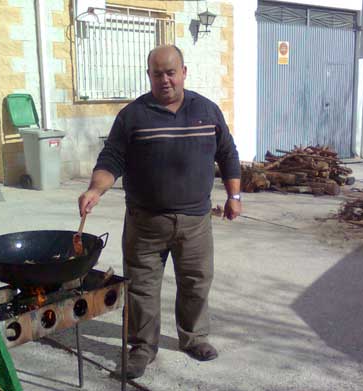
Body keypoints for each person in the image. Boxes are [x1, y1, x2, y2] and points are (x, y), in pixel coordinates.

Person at [78, 45, 241, 379]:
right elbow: (111, 159)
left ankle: (194, 337)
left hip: (195, 220)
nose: (165, 80)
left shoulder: (207, 111)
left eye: (171, 72)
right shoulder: (133, 116)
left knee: (196, 282)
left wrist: (234, 195)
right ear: (148, 75)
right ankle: (142, 348)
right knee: (141, 287)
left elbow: (228, 153)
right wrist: (95, 189)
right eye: (157, 74)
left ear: (184, 71)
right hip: (145, 221)